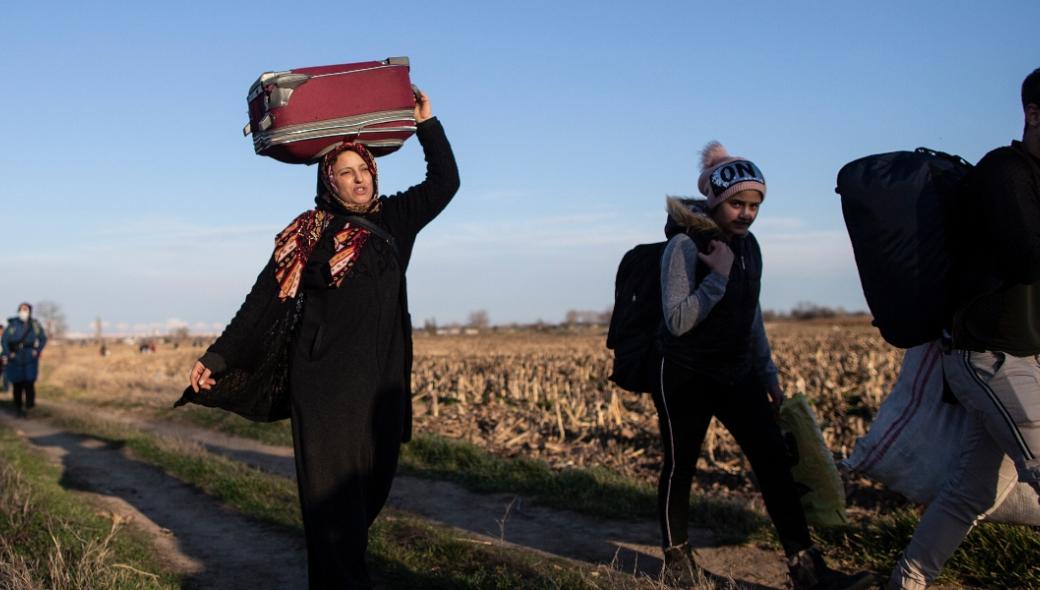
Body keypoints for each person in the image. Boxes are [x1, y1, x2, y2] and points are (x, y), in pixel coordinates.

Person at [187, 89, 459, 589]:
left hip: (382, 390)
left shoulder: (393, 222)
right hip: (326, 388)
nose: (358, 180)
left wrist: (428, 122)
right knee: (332, 511)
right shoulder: (308, 234)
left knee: (367, 497)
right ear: (328, 180)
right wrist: (219, 356)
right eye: (346, 172)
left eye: (364, 170)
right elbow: (263, 302)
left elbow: (445, 183)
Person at [654, 143, 872, 590]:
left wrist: (768, 373)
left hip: (738, 374)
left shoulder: (749, 247)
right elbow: (677, 321)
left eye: (755, 205)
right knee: (681, 466)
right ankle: (677, 563)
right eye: (737, 203)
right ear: (715, 200)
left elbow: (751, 316)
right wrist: (717, 277)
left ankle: (807, 569)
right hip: (685, 374)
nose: (747, 214)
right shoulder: (682, 246)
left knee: (774, 463)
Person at [887, 68, 1040, 590]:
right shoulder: (1006, 172)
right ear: (1034, 114)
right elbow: (1027, 258)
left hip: (1024, 358)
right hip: (991, 357)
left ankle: (906, 581)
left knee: (971, 492)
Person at [2, 303, 47, 418]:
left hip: (29, 357)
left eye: (26, 310)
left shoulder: (35, 325)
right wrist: (9, 353)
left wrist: (37, 350)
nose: (24, 312)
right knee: (17, 384)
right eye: (22, 310)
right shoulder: (12, 325)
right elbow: (4, 341)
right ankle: (18, 407)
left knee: (29, 383)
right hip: (15, 357)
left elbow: (43, 338)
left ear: (30, 311)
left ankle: (29, 407)